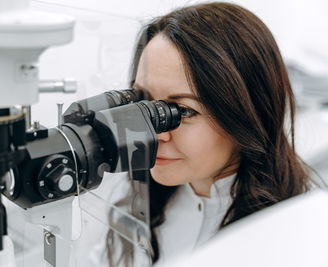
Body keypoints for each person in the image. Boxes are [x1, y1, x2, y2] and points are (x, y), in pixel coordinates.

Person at [91, 2, 315, 266]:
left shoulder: (295, 238)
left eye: (182, 112)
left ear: (245, 115)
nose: (154, 132)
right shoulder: (138, 206)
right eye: (143, 103)